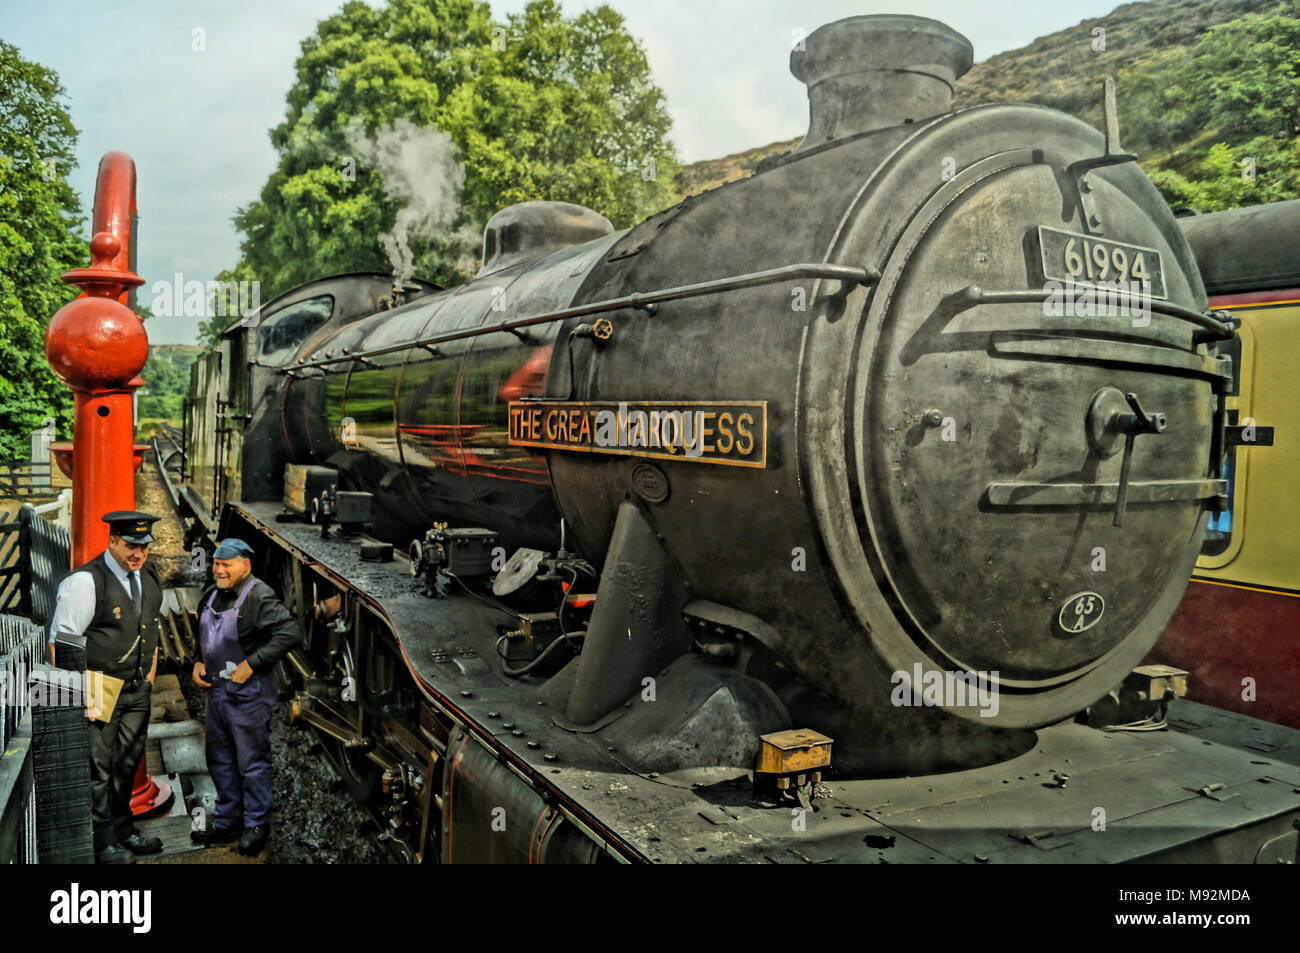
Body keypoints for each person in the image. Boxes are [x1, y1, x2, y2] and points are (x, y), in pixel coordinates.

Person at [48, 510, 165, 865]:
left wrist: (148, 679)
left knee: (126, 764)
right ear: (112, 540)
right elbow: (61, 645)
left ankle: (124, 830)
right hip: (97, 687)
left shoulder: (148, 574)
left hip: (135, 690)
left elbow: (151, 630)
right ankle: (101, 844)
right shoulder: (85, 582)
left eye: (144, 547)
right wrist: (77, 695)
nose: (138, 554)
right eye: (131, 545)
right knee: (97, 770)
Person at [190, 538, 301, 856]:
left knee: (252, 763)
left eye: (226, 565)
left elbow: (289, 633)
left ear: (245, 565)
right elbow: (203, 635)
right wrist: (198, 659)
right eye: (216, 564)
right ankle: (228, 819)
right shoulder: (211, 594)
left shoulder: (259, 596)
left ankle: (255, 824)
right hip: (217, 694)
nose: (219, 570)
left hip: (248, 696)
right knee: (219, 758)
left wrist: (252, 664)